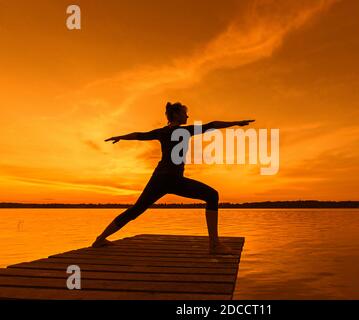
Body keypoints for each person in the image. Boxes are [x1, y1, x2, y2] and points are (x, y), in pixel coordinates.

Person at [92, 102, 254, 254]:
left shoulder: (162, 132)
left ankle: (100, 239)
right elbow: (211, 125)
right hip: (172, 179)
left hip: (160, 178)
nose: (187, 117)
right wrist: (236, 123)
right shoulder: (184, 131)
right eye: (185, 113)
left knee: (136, 210)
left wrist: (120, 137)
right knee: (212, 195)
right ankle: (214, 245)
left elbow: (140, 135)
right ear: (176, 114)